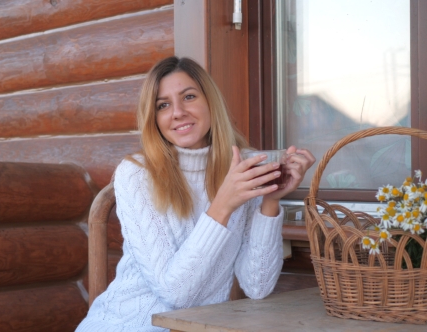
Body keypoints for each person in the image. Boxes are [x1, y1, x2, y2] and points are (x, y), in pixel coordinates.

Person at [76, 56, 315, 331]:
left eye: (188, 97)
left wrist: (270, 199)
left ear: (210, 102)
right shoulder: (137, 173)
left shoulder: (243, 168)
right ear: (153, 118)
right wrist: (224, 204)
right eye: (163, 105)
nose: (177, 112)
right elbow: (176, 294)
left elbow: (257, 286)